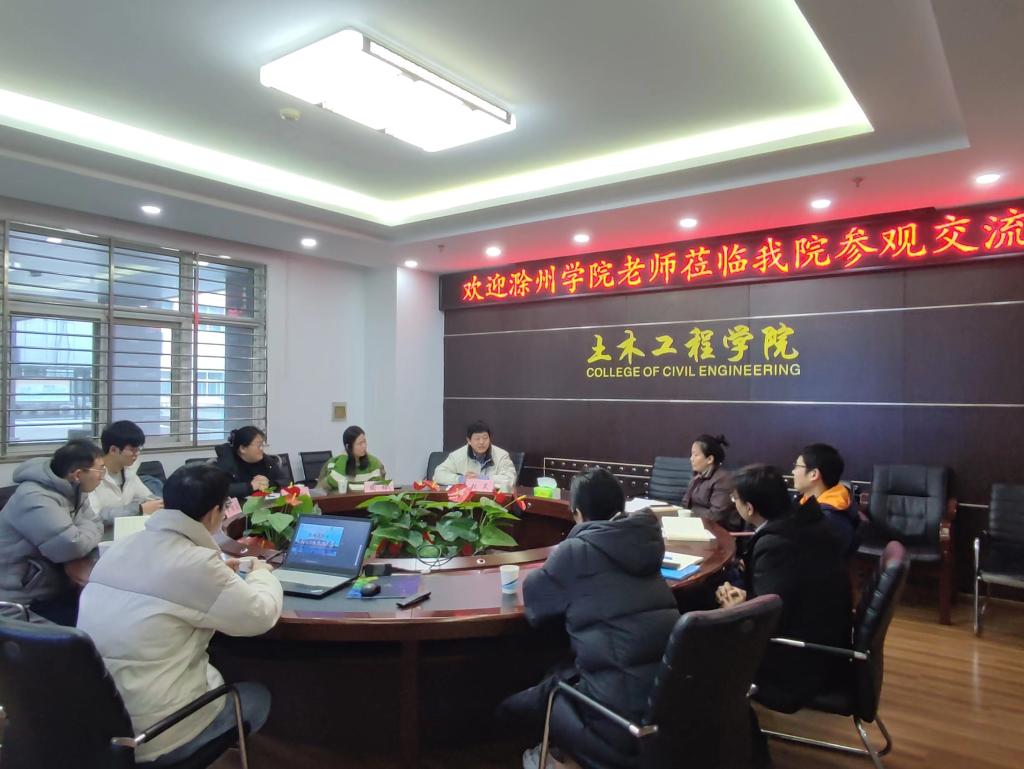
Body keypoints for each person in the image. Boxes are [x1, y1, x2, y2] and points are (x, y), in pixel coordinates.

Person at [77, 465, 283, 764]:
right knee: (254, 697)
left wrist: (216, 576)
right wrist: (262, 574)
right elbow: (260, 615)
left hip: (97, 722)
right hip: (154, 735)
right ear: (214, 512)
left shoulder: (123, 546)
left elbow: (164, 583)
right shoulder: (197, 564)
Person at [501, 468, 680, 769]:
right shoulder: (646, 540)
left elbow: (536, 604)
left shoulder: (576, 551)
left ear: (577, 513)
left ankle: (556, 760)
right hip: (670, 712)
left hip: (621, 730)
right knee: (568, 671)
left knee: (547, 691)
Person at [716, 464, 852, 712]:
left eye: (735, 499)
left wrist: (738, 607)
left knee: (701, 635)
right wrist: (748, 597)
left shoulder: (778, 544)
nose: (734, 504)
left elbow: (770, 617)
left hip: (796, 662)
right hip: (826, 645)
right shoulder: (803, 522)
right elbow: (787, 593)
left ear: (749, 508)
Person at [0, 439, 104, 625]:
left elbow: (96, 523)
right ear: (78, 474)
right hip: (21, 601)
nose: (102, 477)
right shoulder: (33, 498)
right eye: (100, 471)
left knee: (106, 612)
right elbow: (71, 546)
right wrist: (80, 534)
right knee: (93, 627)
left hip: (53, 588)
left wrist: (80, 533)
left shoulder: (75, 490)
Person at [89, 420, 163, 527]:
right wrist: (139, 509)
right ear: (113, 450)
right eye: (132, 450)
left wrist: (159, 503)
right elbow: (97, 517)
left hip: (126, 529)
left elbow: (147, 496)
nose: (137, 454)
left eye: (139, 449)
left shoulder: (129, 471)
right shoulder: (93, 475)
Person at [793, 443, 859, 554]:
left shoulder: (830, 521)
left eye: (797, 466)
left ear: (814, 474)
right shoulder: (805, 502)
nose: (793, 471)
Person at [433, 420, 518, 492]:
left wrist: (482, 478)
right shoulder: (457, 456)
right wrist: (462, 479)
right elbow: (438, 474)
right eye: (477, 438)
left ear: (490, 438)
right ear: (469, 440)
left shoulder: (502, 455)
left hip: (493, 500)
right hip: (465, 500)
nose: (481, 442)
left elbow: (510, 479)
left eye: (485, 438)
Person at [682, 433, 741, 531]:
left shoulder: (724, 479)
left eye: (695, 455)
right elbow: (685, 504)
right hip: (699, 525)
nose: (691, 459)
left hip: (719, 531)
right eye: (692, 454)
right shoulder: (697, 476)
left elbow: (716, 516)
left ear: (709, 459)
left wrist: (691, 512)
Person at [214, 425, 284, 499]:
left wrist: (269, 483)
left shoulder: (265, 460)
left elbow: (286, 481)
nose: (262, 449)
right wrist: (250, 486)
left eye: (262, 445)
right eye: (259, 445)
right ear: (243, 448)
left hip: (265, 503)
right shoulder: (227, 463)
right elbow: (218, 490)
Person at [317, 425, 387, 491]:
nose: (364, 446)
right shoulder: (333, 463)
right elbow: (333, 483)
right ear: (348, 447)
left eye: (364, 442)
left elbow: (378, 488)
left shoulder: (373, 462)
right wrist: (344, 456)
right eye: (360, 443)